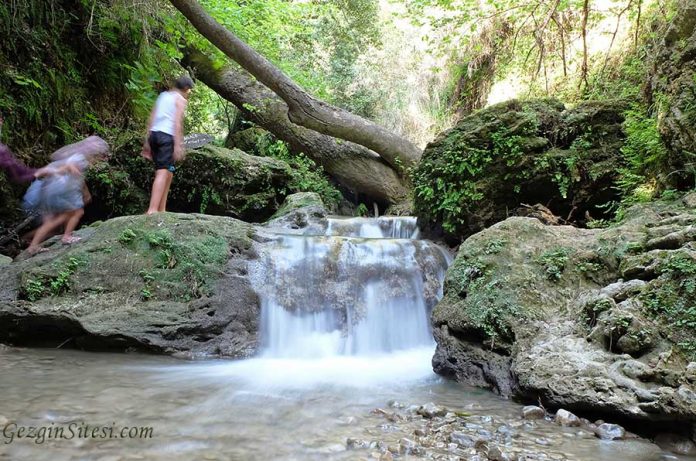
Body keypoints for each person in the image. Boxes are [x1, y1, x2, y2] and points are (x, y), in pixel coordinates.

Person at [24, 137, 109, 255]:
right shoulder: (80, 158)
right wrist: (73, 171)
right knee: (77, 212)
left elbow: (62, 167)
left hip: (58, 190)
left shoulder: (80, 158)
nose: (101, 158)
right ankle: (66, 237)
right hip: (63, 190)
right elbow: (68, 166)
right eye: (100, 155)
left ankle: (33, 245)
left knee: (56, 220)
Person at [141, 76, 194, 215]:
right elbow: (177, 123)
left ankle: (162, 209)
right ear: (186, 89)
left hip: (154, 135)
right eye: (189, 91)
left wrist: (147, 141)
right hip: (167, 137)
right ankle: (152, 210)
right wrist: (177, 146)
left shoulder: (163, 96)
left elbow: (152, 117)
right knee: (162, 172)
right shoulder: (180, 99)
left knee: (169, 172)